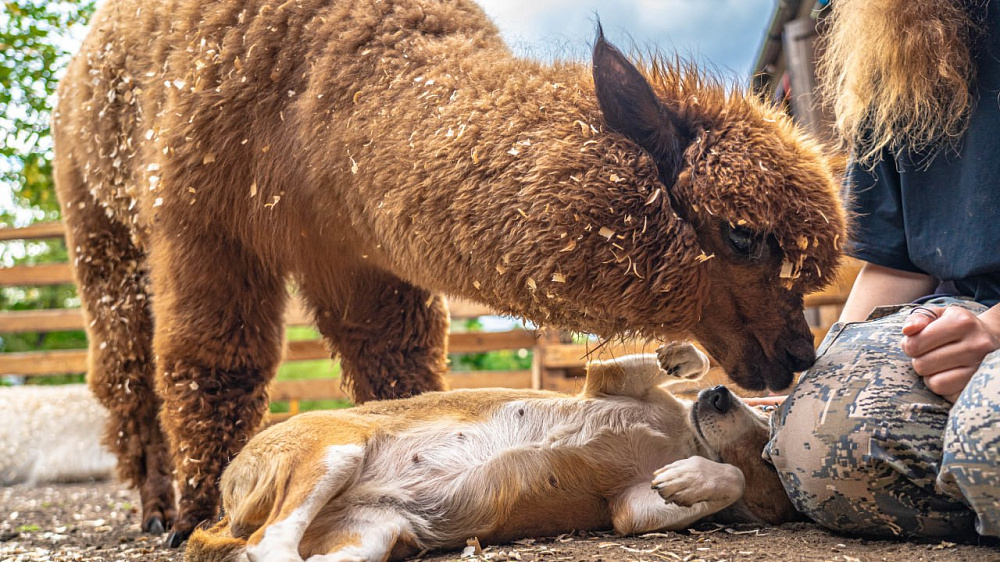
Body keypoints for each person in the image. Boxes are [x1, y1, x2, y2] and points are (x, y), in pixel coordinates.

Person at [763, 0, 1000, 538]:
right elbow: (897, 264)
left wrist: (994, 331)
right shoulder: (896, 37)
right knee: (814, 443)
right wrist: (819, 383)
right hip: (967, 323)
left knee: (986, 435)